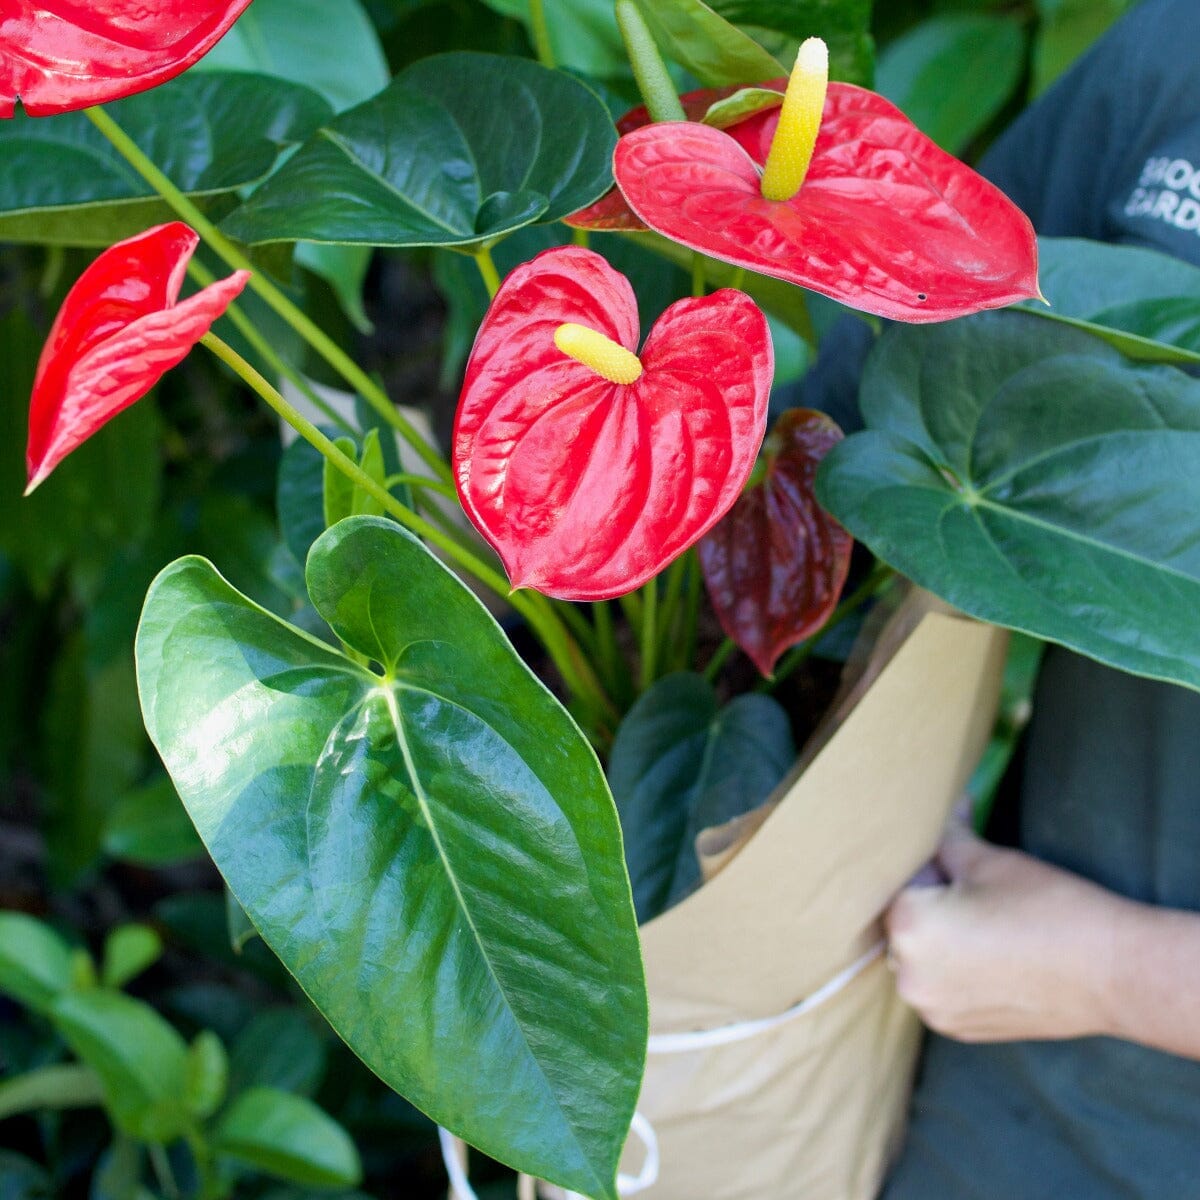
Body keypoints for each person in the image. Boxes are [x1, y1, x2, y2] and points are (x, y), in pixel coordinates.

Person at [865, 1, 1200, 1193]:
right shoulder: (1182, 58)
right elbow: (879, 380)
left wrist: (1111, 967)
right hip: (1023, 1105)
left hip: (1045, 986)